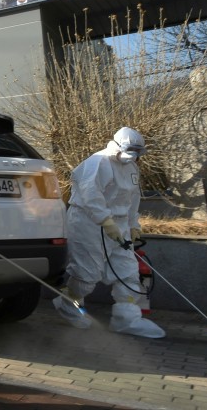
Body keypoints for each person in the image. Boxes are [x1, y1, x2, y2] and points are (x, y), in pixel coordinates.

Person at [54, 127, 165, 339]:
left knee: (128, 272)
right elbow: (89, 194)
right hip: (88, 222)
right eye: (130, 151)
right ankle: (69, 306)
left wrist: (133, 225)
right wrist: (105, 221)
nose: (133, 156)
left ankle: (127, 320)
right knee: (87, 273)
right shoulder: (98, 162)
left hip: (120, 225)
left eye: (137, 152)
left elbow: (132, 199)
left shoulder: (132, 167)